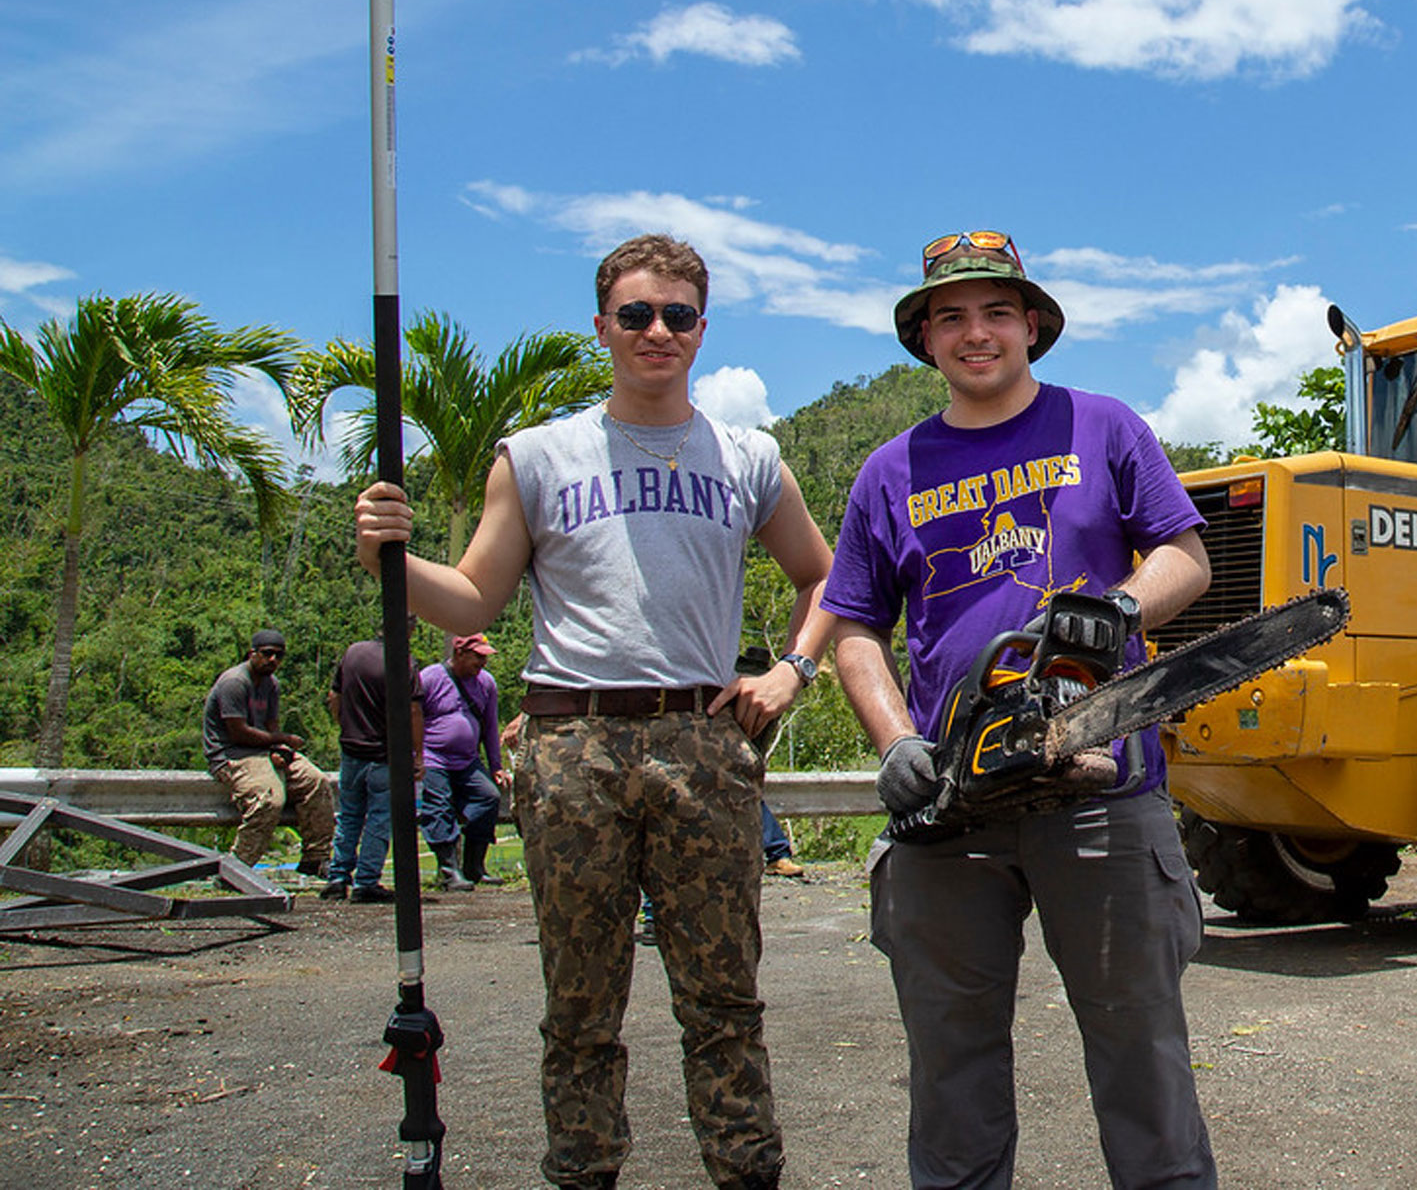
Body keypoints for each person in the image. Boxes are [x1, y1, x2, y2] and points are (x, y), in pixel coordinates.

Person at [734, 229, 1218, 1190]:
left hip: (1102, 791)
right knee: (951, 1070)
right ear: (925, 338)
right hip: (952, 802)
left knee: (1143, 1057)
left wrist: (1119, 605)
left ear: (1032, 324)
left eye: (997, 310)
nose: (976, 332)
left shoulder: (1106, 427)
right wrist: (897, 741)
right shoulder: (890, 470)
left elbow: (1186, 558)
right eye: (951, 316)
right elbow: (857, 624)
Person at [353, 233, 832, 1190]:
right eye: (637, 314)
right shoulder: (536, 456)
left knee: (724, 1000)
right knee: (579, 1006)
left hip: (705, 740)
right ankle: (583, 1174)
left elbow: (823, 575)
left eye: (679, 315)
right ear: (602, 325)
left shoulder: (748, 458)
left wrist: (790, 671)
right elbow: (475, 600)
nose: (658, 331)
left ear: (703, 328)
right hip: (573, 745)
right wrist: (391, 562)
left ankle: (747, 1174)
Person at [203, 627, 336, 875]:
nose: (273, 660)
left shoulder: (270, 684)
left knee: (316, 781)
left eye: (278, 655)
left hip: (262, 751)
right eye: (267, 654)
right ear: (253, 653)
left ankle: (315, 857)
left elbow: (271, 724)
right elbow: (238, 732)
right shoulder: (234, 682)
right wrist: (281, 739)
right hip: (232, 755)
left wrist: (280, 749)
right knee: (269, 799)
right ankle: (237, 869)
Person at [323, 633, 424, 903]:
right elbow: (414, 711)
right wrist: (418, 754)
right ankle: (366, 880)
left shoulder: (353, 652)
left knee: (349, 815)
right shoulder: (404, 662)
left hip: (352, 748)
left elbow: (334, 696)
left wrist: (345, 726)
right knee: (379, 817)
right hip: (384, 753)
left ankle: (337, 875)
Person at [418, 631, 508, 891]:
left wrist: (496, 766)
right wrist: (415, 757)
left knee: (488, 797)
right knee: (439, 804)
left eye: (485, 658)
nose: (482, 663)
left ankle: (474, 866)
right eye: (477, 657)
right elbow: (413, 716)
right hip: (433, 757)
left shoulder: (486, 683)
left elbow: (490, 728)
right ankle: (449, 870)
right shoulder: (431, 678)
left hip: (467, 761)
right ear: (459, 653)